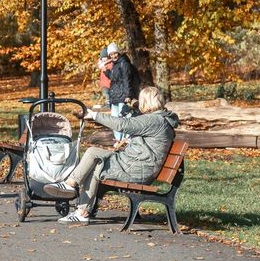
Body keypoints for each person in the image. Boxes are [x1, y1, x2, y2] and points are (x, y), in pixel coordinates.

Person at [44, 86, 178, 225]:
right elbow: (147, 147)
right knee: (96, 162)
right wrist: (126, 145)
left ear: (146, 102)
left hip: (138, 170)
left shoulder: (154, 120)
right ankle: (80, 210)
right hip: (137, 165)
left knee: (93, 153)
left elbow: (122, 125)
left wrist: (95, 115)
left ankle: (71, 186)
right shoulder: (160, 120)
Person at [105, 42, 140, 146]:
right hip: (115, 97)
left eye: (115, 53)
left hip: (123, 97)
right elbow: (114, 79)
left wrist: (128, 95)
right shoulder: (114, 65)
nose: (113, 56)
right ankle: (118, 140)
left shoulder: (124, 63)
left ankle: (126, 139)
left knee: (124, 119)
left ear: (118, 53)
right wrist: (106, 72)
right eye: (111, 54)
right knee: (114, 120)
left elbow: (126, 80)